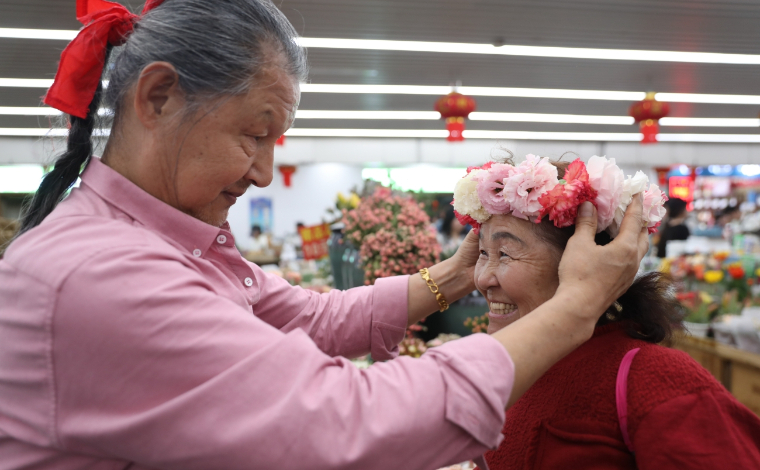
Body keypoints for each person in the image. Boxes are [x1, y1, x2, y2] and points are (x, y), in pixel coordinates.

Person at [0, 1, 648, 468]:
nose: (262, 173)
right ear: (160, 96)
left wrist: (455, 274)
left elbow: (310, 318)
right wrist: (575, 306)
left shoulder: (170, 243)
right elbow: (351, 418)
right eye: (255, 134)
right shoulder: (101, 274)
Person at [451, 158, 760, 470]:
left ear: (587, 261)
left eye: (505, 254)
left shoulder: (658, 381)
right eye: (483, 253)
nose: (482, 279)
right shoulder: (511, 367)